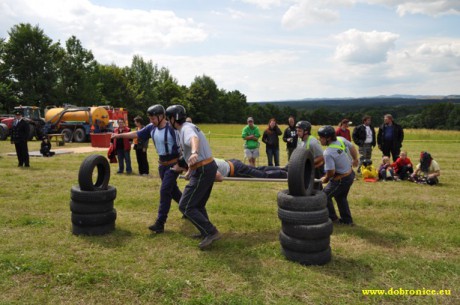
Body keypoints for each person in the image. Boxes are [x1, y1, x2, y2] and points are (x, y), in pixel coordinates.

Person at [111, 105, 182, 233]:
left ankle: (160, 223)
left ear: (161, 116)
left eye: (153, 118)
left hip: (173, 165)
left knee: (165, 191)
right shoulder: (151, 128)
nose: (151, 121)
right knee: (173, 191)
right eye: (149, 118)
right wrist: (119, 136)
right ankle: (187, 207)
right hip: (162, 165)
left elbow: (182, 147)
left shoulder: (172, 129)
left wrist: (183, 165)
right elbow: (136, 134)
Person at [166, 105, 221, 250]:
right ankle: (205, 232)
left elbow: (194, 140)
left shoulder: (186, 129)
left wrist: (195, 152)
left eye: (168, 118)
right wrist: (190, 170)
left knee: (186, 205)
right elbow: (188, 150)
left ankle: (211, 232)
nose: (168, 121)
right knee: (198, 204)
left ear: (173, 119)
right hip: (205, 168)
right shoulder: (185, 127)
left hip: (203, 169)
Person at [318, 125, 358, 226]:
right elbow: (352, 147)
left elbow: (331, 172)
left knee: (324, 196)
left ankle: (333, 219)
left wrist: (326, 179)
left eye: (321, 137)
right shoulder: (341, 139)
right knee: (341, 197)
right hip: (350, 174)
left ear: (328, 138)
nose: (319, 140)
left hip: (341, 179)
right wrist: (355, 159)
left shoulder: (328, 152)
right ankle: (347, 221)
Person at [295, 120, 324, 189]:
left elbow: (321, 157)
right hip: (305, 167)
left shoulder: (313, 142)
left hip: (316, 168)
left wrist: (308, 163)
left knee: (316, 188)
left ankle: (322, 199)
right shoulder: (299, 139)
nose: (297, 133)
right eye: (297, 130)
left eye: (299, 131)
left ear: (306, 131)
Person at [214, 158, 287, 180]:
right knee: (259, 169)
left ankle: (286, 174)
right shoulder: (205, 158)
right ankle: (284, 169)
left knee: (263, 175)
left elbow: (219, 177)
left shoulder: (207, 166)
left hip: (237, 169)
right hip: (233, 162)